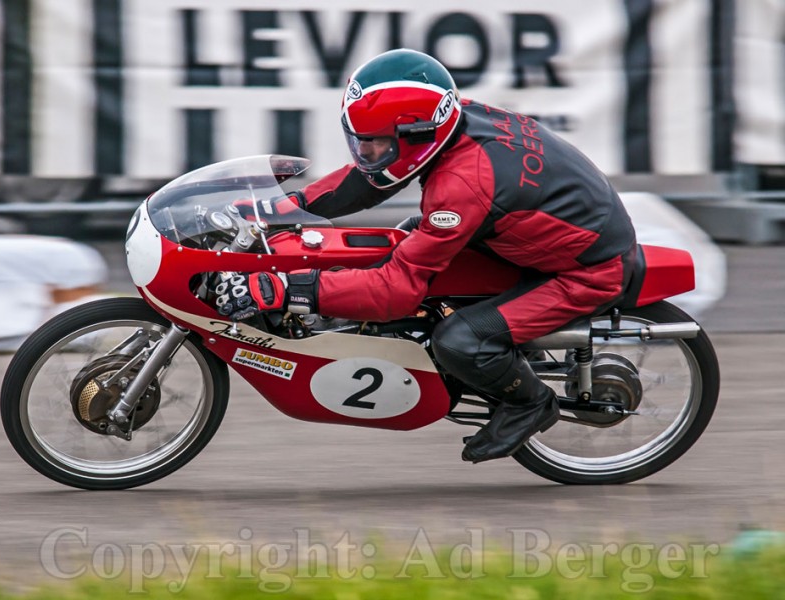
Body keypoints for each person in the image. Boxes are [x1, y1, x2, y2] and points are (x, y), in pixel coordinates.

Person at [213, 48, 638, 464]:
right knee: (404, 240)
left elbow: (394, 292)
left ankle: (530, 403)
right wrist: (281, 209)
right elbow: (368, 181)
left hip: (587, 271)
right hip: (526, 239)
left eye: (375, 144)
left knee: (459, 340)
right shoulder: (451, 120)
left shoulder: (461, 185)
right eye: (361, 141)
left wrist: (283, 288)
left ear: (416, 137)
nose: (367, 153)